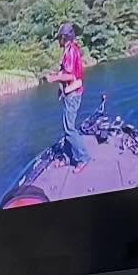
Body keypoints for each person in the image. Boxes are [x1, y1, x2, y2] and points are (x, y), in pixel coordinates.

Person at [55, 22, 88, 168]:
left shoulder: (70, 51)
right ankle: (68, 157)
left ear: (63, 37)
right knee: (67, 127)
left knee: (69, 129)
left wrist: (54, 78)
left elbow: (70, 76)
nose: (58, 41)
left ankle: (83, 157)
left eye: (59, 38)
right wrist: (60, 89)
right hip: (70, 93)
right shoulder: (73, 49)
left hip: (72, 95)